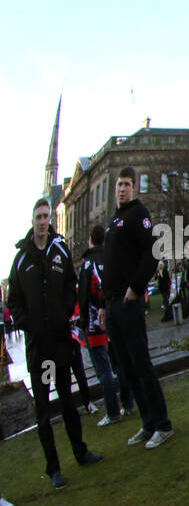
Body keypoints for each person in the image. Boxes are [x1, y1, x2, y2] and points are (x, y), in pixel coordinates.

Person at [8, 198, 103, 488]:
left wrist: (64, 314)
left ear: (51, 219)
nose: (42, 221)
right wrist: (29, 324)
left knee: (68, 402)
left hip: (62, 345)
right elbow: (14, 301)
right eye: (38, 216)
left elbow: (72, 288)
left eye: (46, 216)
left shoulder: (59, 250)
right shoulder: (21, 259)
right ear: (32, 219)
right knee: (44, 412)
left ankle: (80, 451)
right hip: (40, 350)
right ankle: (54, 469)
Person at [102, 165, 174, 449]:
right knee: (126, 369)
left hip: (128, 302)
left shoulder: (138, 214)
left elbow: (151, 253)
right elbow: (110, 265)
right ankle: (147, 423)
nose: (122, 189)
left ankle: (163, 424)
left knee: (141, 364)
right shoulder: (113, 220)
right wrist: (102, 304)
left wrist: (136, 287)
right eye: (119, 184)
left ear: (134, 188)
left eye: (127, 184)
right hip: (112, 305)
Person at [78, 224, 124, 426]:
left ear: (91, 239)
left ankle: (113, 411)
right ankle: (129, 403)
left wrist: (82, 322)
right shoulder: (112, 257)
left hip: (95, 321)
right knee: (119, 362)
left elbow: (82, 295)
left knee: (103, 370)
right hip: (113, 315)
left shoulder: (87, 263)